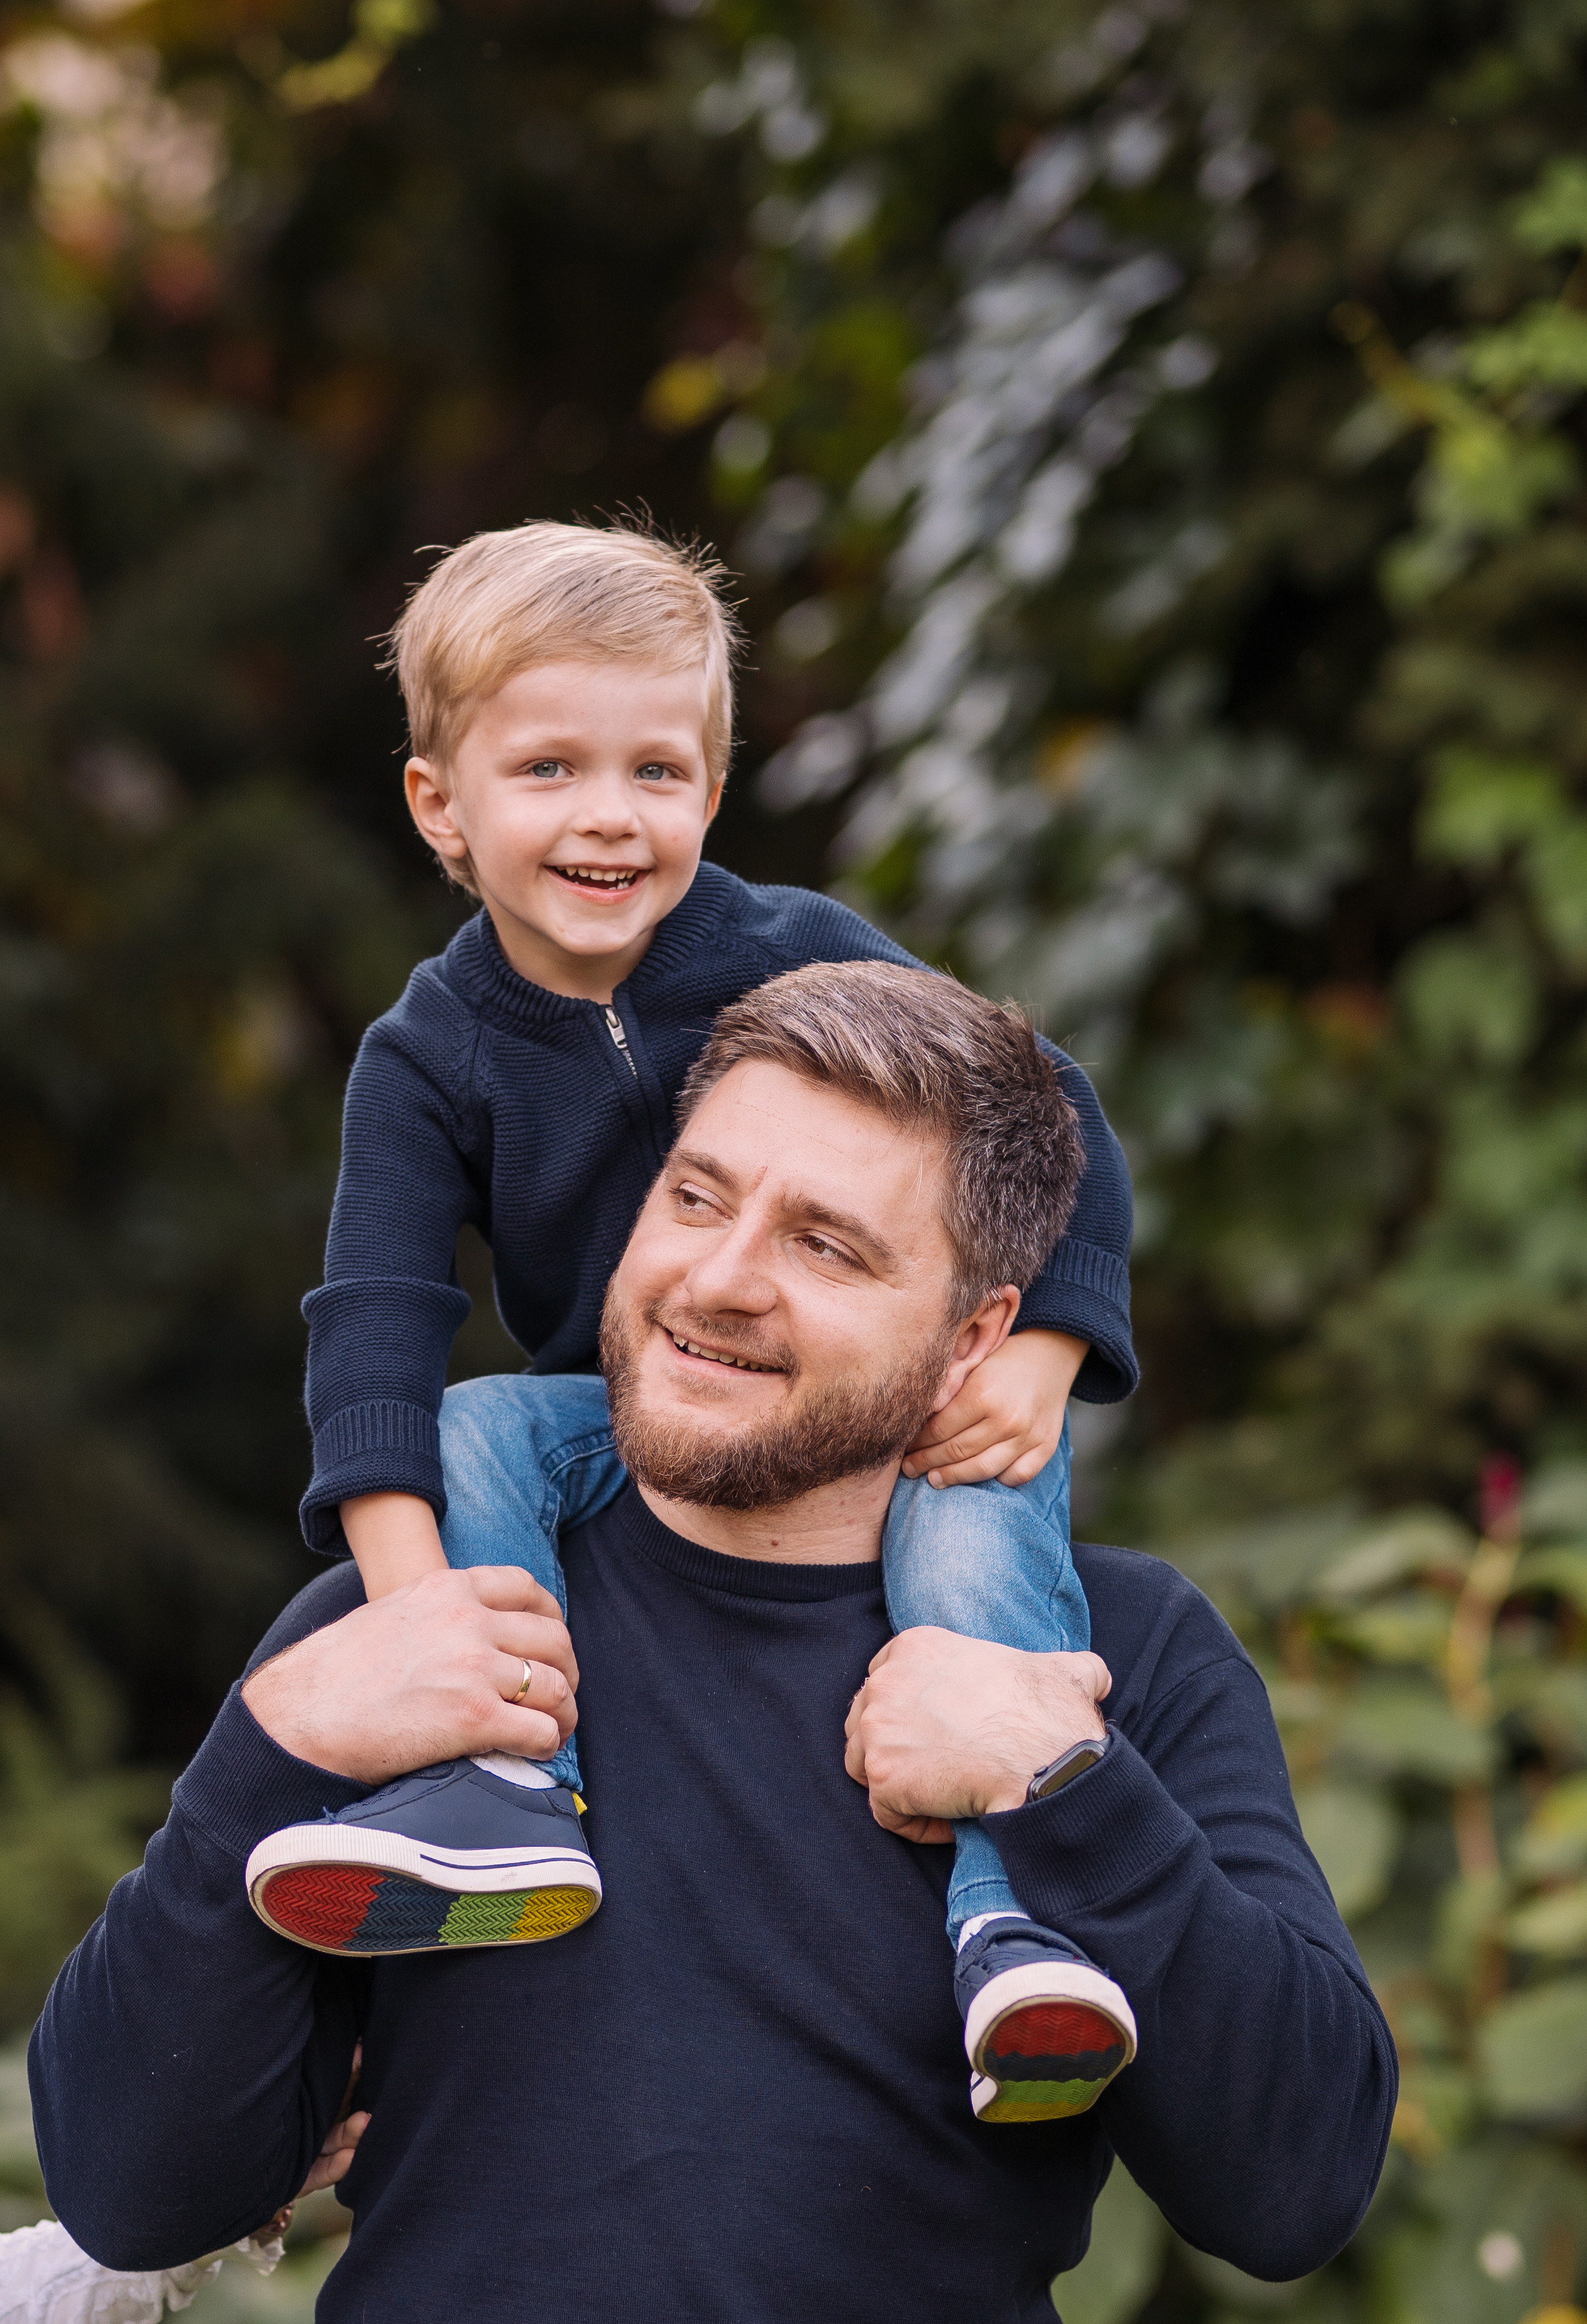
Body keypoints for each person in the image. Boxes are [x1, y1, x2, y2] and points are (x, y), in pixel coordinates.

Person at [29, 964, 1397, 2323]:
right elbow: (133, 2189)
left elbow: (1292, 2187)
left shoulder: (1114, 1657)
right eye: (694, 1195)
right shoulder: (430, 1614)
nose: (719, 1276)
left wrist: (1063, 1784)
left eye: (824, 1243)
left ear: (973, 1336)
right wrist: (274, 1751)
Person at [249, 518, 1140, 2110]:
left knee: (965, 1531)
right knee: (469, 1424)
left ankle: (1017, 1922)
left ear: (710, 791)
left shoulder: (784, 950)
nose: (609, 817)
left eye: (655, 772)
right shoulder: (428, 1055)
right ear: (438, 806)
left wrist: (1045, 1350)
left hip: (885, 1407)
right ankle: (504, 1775)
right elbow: (376, 1319)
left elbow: (1046, 1108)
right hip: (629, 1419)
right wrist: (417, 1614)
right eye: (549, 771)